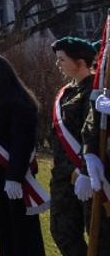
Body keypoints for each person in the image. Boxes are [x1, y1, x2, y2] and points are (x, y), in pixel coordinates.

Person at [0, 54, 46, 256]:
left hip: (15, 176)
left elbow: (22, 142)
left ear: (0, 73)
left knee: (23, 230)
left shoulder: (18, 101)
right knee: (3, 229)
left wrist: (14, 177)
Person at [52, 37, 101, 256]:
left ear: (80, 62)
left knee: (97, 235)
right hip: (63, 176)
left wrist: (85, 170)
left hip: (87, 175)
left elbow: (92, 134)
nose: (58, 64)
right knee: (62, 232)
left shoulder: (95, 91)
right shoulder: (67, 91)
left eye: (62, 59)